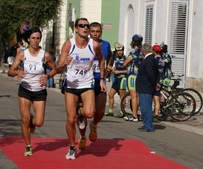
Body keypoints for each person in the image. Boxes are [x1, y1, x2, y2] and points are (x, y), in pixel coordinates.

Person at [56, 18, 106, 160]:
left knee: (90, 113)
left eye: (87, 26)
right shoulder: (68, 45)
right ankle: (72, 147)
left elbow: (101, 60)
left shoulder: (94, 45)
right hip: (71, 85)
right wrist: (63, 63)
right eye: (81, 26)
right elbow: (58, 68)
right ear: (76, 29)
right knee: (71, 120)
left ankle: (81, 113)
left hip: (87, 83)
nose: (85, 28)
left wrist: (102, 79)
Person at [7, 27, 56, 156]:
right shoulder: (23, 54)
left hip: (39, 91)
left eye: (38, 38)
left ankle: (32, 120)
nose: (35, 41)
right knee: (24, 119)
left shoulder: (45, 55)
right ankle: (28, 145)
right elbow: (10, 72)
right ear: (28, 39)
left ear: (40, 39)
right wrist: (18, 71)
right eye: (33, 38)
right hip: (25, 90)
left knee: (39, 123)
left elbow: (54, 69)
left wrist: (47, 76)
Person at [136, 43, 160, 132]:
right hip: (145, 87)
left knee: (146, 107)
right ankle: (146, 124)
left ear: (143, 51)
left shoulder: (149, 60)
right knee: (145, 107)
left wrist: (154, 84)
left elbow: (151, 74)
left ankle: (148, 126)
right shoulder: (152, 59)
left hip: (146, 87)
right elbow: (156, 72)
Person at [123, 34, 144, 122]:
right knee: (137, 96)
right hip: (139, 74)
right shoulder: (142, 52)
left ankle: (134, 115)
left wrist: (128, 65)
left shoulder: (134, 52)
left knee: (133, 96)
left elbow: (125, 63)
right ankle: (135, 114)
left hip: (132, 75)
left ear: (133, 41)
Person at [104, 43, 127, 118]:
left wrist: (119, 72)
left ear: (123, 50)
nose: (119, 52)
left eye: (120, 50)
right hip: (116, 79)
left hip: (122, 79)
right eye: (118, 51)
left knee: (122, 96)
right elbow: (114, 68)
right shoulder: (116, 59)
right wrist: (111, 69)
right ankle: (110, 111)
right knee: (110, 95)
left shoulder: (126, 58)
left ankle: (122, 111)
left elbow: (128, 71)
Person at [152, 44, 164, 120]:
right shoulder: (162, 60)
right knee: (157, 100)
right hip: (160, 79)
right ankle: (156, 114)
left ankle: (153, 114)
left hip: (155, 81)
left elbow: (153, 72)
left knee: (154, 99)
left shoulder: (154, 60)